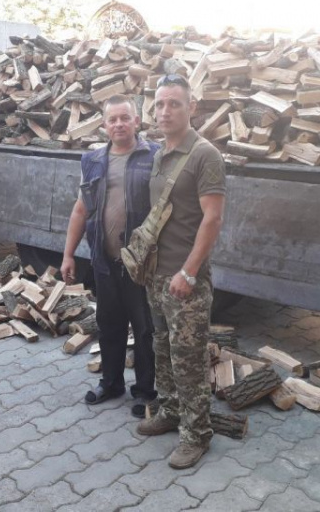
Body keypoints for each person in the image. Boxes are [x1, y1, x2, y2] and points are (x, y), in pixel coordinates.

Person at [136, 74, 226, 469]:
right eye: (159, 104)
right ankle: (171, 412)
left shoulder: (205, 155)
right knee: (162, 349)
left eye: (174, 103)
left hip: (184, 280)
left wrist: (188, 273)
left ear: (192, 108)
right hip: (156, 276)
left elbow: (212, 220)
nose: (165, 111)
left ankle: (197, 435)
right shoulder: (159, 153)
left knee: (188, 359)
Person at [61, 94, 160, 417]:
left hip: (141, 265)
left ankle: (145, 391)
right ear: (104, 125)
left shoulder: (154, 156)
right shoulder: (92, 161)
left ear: (136, 121)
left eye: (124, 118)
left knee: (145, 330)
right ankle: (111, 382)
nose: (118, 124)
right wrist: (69, 255)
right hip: (104, 261)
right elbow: (80, 209)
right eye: (112, 119)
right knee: (109, 325)